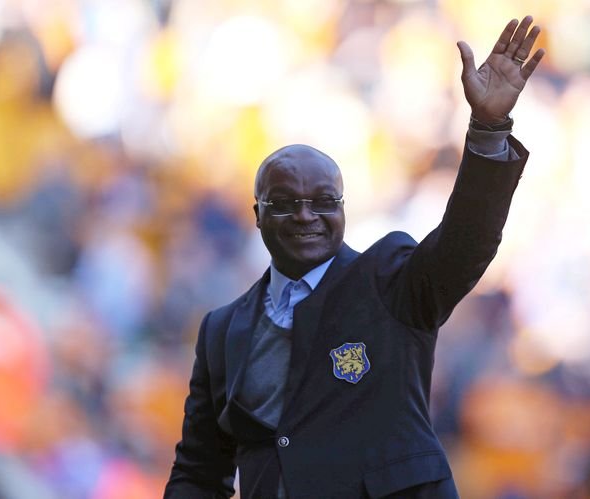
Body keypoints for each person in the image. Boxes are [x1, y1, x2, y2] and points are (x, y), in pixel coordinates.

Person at [165, 15, 545, 499]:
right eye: (285, 203)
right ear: (257, 215)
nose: (306, 215)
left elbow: (466, 243)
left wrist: (488, 130)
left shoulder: (389, 280)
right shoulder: (222, 331)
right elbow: (199, 471)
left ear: (344, 208)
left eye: (323, 200)